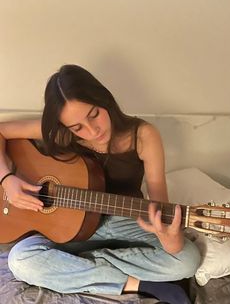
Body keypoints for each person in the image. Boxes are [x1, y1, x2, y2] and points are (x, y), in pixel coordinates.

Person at [0, 64, 200, 303]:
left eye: (94, 114)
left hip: (125, 220)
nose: (92, 131)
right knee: (20, 260)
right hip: (69, 228)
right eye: (77, 127)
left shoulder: (144, 135)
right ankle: (137, 283)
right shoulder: (60, 134)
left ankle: (79, 265)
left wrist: (170, 237)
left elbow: (160, 206)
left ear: (104, 99)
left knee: (187, 260)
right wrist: (7, 178)